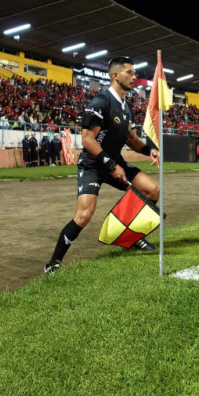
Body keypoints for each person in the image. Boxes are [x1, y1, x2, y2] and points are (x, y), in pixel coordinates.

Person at [44, 57, 161, 274]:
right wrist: (109, 164)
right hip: (93, 164)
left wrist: (149, 150)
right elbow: (87, 140)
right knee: (84, 214)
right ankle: (54, 262)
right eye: (130, 73)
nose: (134, 77)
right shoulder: (100, 102)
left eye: (134, 73)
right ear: (115, 75)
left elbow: (132, 140)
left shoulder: (127, 107)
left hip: (116, 162)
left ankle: (134, 238)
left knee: (152, 189)